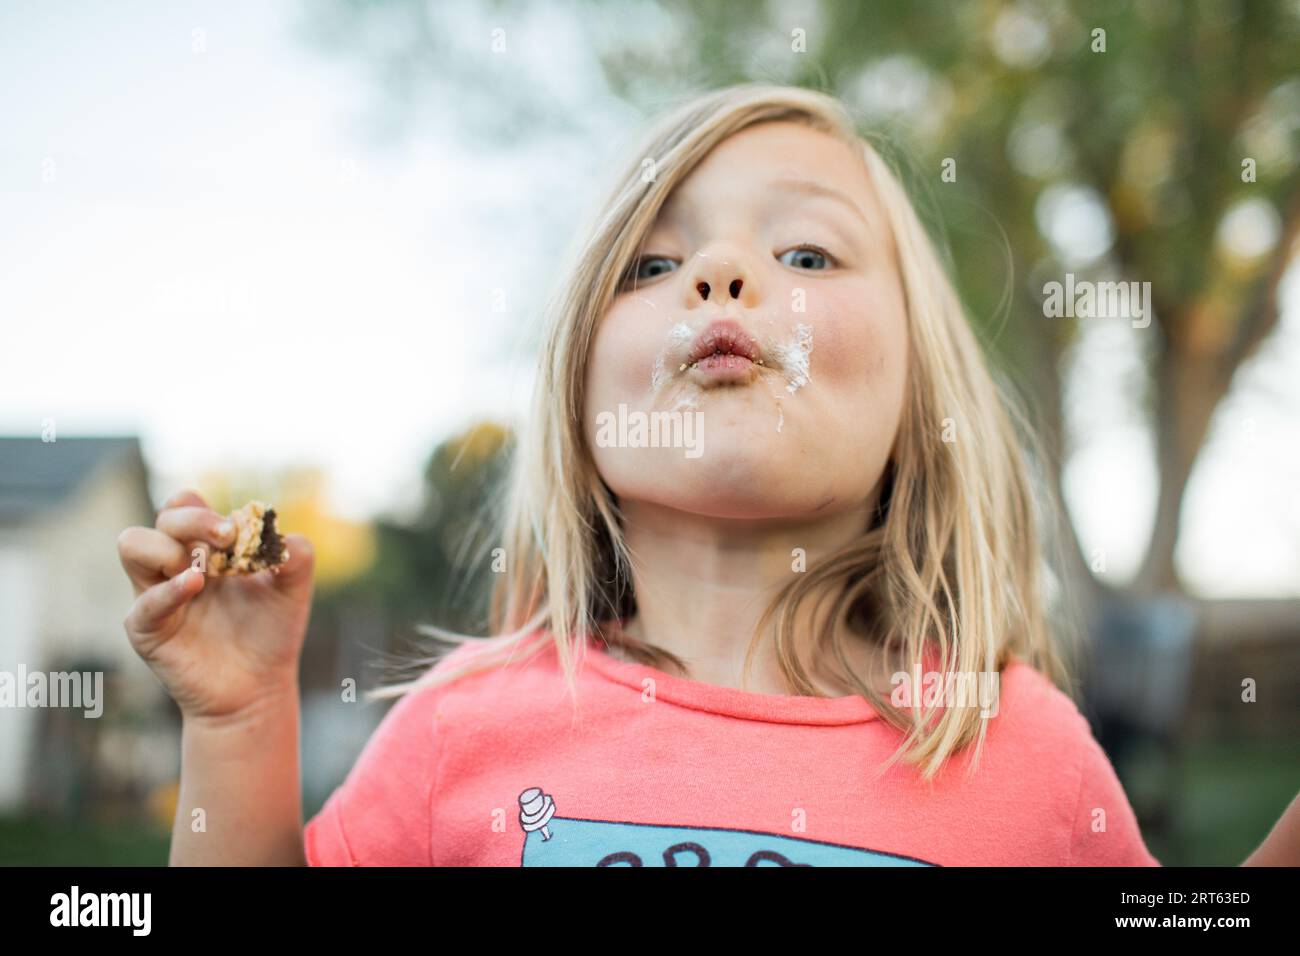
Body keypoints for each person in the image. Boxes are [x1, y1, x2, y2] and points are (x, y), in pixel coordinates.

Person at [117, 83, 1297, 867]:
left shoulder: (1020, 750)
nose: (722, 274)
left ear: (918, 398)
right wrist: (241, 718)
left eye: (802, 251)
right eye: (653, 262)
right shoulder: (458, 731)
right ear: (579, 401)